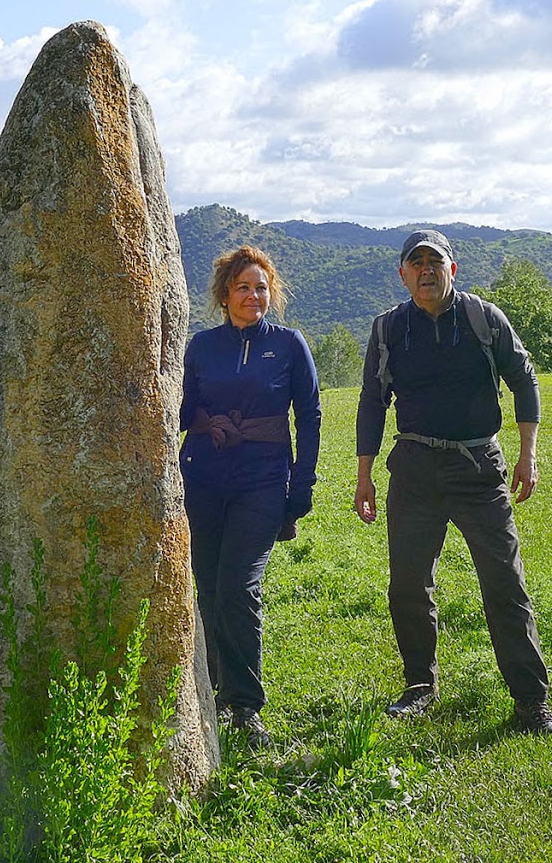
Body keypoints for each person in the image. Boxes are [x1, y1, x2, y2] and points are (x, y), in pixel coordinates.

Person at [353, 229, 552, 737]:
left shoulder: (483, 319)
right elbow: (371, 401)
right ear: (403, 274)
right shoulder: (388, 329)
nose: (426, 270)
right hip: (414, 468)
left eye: (436, 262)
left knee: (504, 582)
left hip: (478, 468)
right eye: (417, 263)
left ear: (452, 270)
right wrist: (364, 475)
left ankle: (532, 703)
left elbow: (524, 380)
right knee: (408, 584)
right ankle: (419, 687)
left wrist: (528, 454)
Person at [180, 245, 320, 749]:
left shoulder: (288, 345)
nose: (253, 296)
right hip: (202, 478)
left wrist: (300, 488)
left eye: (261, 288)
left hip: (261, 482)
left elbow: (309, 416)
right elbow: (181, 411)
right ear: (225, 295)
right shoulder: (201, 347)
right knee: (208, 588)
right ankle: (212, 688)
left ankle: (244, 705)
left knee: (239, 587)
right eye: (243, 287)